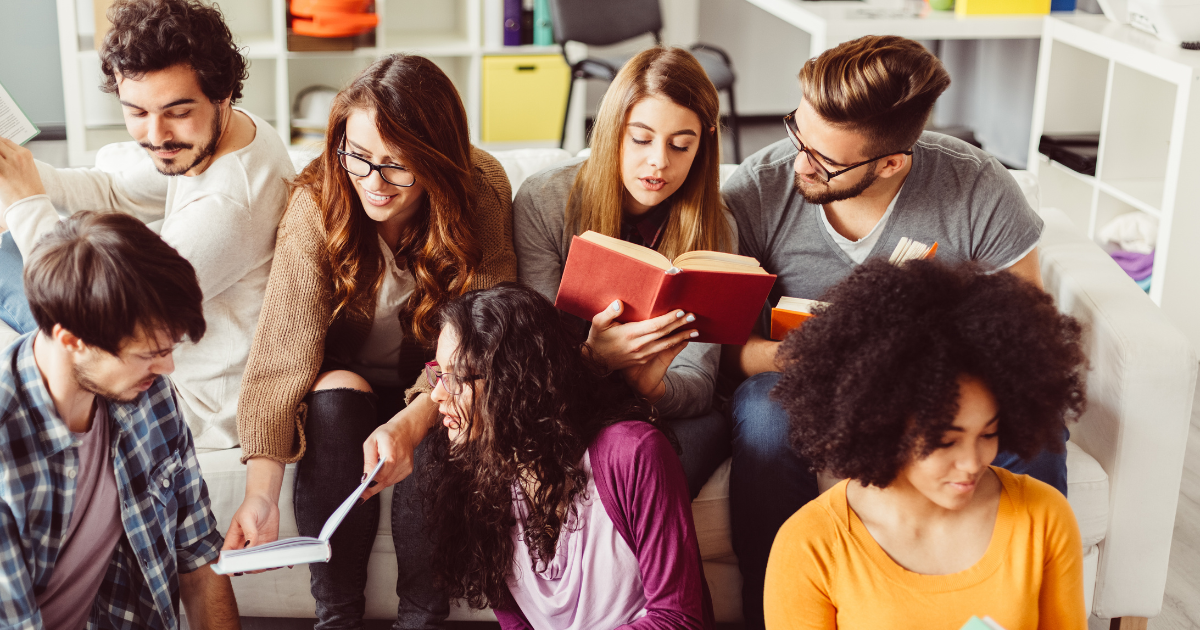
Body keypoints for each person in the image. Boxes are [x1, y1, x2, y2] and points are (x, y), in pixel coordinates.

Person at [719, 35, 1065, 627]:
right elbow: (727, 350)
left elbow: (1027, 339)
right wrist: (801, 357)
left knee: (1039, 429)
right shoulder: (759, 187)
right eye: (798, 133)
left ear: (890, 163)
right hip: (802, 380)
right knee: (761, 417)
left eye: (824, 160)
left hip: (943, 387)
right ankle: (769, 610)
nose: (798, 163)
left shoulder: (976, 187)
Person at [225, 54, 516, 629]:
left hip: (440, 379)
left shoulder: (480, 190)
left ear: (437, 161)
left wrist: (413, 417)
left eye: (396, 166)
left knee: (441, 422)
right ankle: (335, 617)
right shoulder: (318, 200)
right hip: (346, 383)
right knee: (335, 398)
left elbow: (484, 334)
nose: (373, 183)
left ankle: (421, 617)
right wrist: (260, 493)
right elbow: (282, 354)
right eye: (357, 157)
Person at [0, 0, 294, 451]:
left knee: (7, 260)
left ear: (224, 95)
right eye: (137, 112)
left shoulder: (231, 204)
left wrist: (26, 202)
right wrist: (19, 170)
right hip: (151, 329)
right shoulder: (231, 132)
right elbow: (117, 191)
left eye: (177, 112)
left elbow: (106, 314)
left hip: (191, 399)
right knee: (10, 248)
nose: (156, 136)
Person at [763, 258, 1087, 629]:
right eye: (945, 441)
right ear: (883, 422)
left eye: (988, 434)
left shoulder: (1044, 518)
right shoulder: (811, 545)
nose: (971, 463)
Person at [423, 283, 713, 630]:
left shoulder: (634, 452)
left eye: (457, 377)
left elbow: (680, 620)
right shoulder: (479, 477)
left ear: (515, 383)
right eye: (438, 373)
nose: (437, 394)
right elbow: (516, 623)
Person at [0, 212, 238, 630]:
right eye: (148, 353)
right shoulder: (7, 444)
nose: (167, 369)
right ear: (72, 339)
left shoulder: (146, 391)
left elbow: (200, 563)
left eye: (170, 348)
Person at [514, 46, 734, 498]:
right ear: (613, 131)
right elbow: (531, 357)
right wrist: (595, 360)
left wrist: (652, 387)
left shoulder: (717, 227)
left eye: (681, 145)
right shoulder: (545, 201)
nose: (659, 162)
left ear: (703, 145)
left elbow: (701, 381)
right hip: (566, 402)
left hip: (662, 411)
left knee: (673, 454)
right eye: (641, 138)